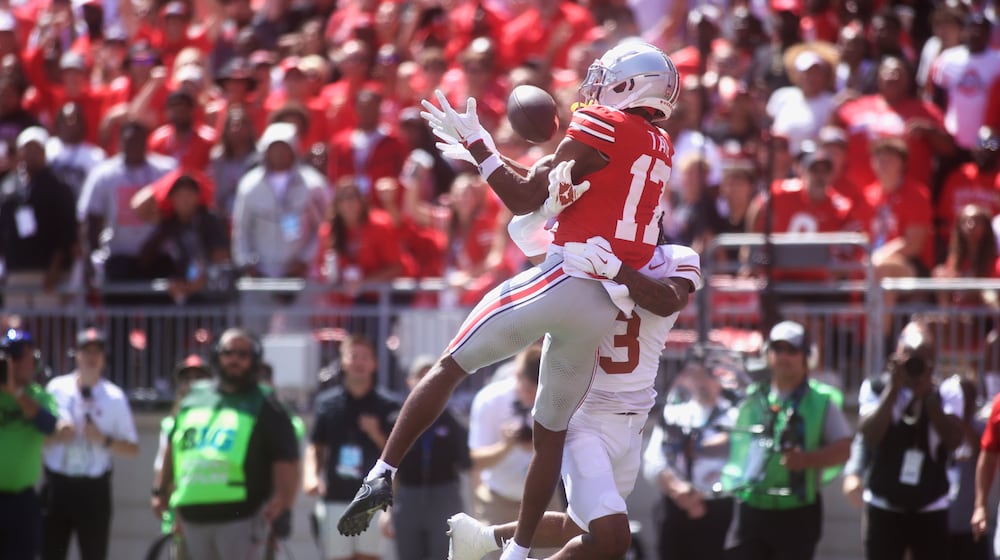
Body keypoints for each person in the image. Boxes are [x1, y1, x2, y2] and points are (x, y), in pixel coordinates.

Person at [337, 41, 681, 560]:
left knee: (452, 364)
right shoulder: (660, 146)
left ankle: (381, 471)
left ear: (629, 84)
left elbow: (524, 200)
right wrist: (536, 174)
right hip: (602, 306)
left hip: (563, 281)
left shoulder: (602, 125)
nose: (592, 87)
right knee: (551, 433)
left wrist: (480, 146)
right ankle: (516, 554)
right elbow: (566, 196)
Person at [446, 201, 701, 560]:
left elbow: (668, 301)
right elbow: (521, 230)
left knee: (583, 526)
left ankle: (482, 538)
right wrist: (551, 201)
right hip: (584, 415)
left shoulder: (676, 258)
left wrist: (615, 269)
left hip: (635, 419)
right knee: (613, 535)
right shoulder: (582, 252)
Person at [152, 328, 300, 560]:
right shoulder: (193, 399)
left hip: (242, 519)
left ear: (254, 360)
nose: (235, 360)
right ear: (217, 356)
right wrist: (160, 491)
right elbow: (174, 447)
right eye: (228, 352)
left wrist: (283, 502)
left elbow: (287, 458)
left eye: (243, 354)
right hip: (191, 517)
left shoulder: (266, 403)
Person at [721, 321, 852, 560]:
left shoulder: (822, 400)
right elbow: (732, 440)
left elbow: (844, 449)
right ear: (767, 354)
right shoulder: (752, 397)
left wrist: (806, 460)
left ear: (806, 357)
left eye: (791, 350)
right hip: (751, 508)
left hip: (797, 514)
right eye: (777, 349)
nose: (783, 356)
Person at [858, 321, 964, 560]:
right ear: (897, 357)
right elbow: (870, 435)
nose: (914, 367)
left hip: (931, 505)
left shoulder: (947, 390)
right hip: (884, 504)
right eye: (909, 360)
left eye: (922, 360)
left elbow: (954, 440)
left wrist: (927, 396)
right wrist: (893, 390)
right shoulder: (876, 387)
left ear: (933, 361)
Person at [41, 327, 140, 560]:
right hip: (58, 485)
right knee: (50, 552)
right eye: (87, 351)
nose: (91, 358)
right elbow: (38, 437)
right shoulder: (56, 389)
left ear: (105, 358)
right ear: (76, 355)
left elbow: (133, 448)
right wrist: (57, 434)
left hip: (94, 489)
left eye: (98, 352)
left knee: (94, 554)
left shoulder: (114, 396)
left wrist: (103, 439)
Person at [304, 334, 401, 560]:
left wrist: (376, 433)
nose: (359, 362)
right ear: (343, 361)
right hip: (336, 496)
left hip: (373, 497)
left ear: (374, 363)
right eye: (353, 356)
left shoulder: (388, 405)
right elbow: (315, 446)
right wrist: (310, 477)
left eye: (365, 357)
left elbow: (398, 453)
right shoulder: (326, 404)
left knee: (369, 557)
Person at [643, 361, 735, 560]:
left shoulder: (734, 417)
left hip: (716, 509)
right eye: (698, 375)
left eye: (709, 375)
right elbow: (653, 460)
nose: (703, 382)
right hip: (674, 505)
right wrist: (678, 490)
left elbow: (742, 462)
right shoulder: (674, 413)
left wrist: (706, 491)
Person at [387, 356, 470, 560]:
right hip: (408, 496)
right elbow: (389, 467)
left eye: (430, 376)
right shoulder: (397, 420)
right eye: (420, 377)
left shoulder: (452, 420)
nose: (426, 382)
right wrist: (386, 511)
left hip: (444, 497)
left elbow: (467, 462)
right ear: (410, 381)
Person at [0, 328, 58, 559]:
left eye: (22, 357)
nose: (17, 364)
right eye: (11, 358)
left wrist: (17, 393)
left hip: (22, 504)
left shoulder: (39, 396)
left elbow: (48, 425)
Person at [152, 354, 214, 560]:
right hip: (180, 513)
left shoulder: (219, 418)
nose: (192, 383)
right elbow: (163, 465)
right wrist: (158, 494)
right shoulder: (170, 423)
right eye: (186, 378)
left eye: (199, 377)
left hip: (213, 513)